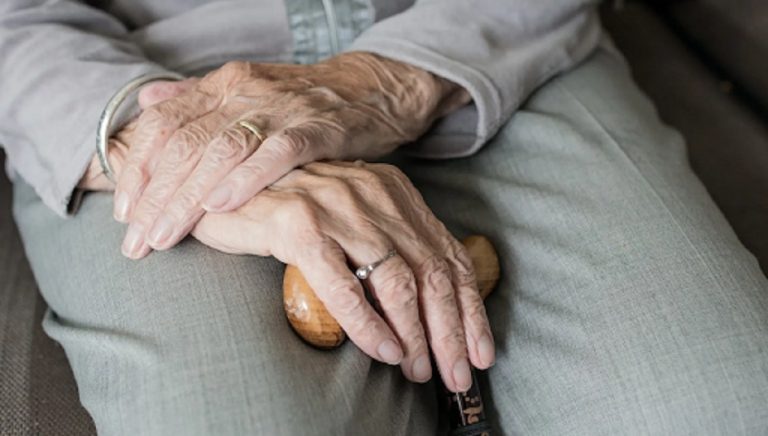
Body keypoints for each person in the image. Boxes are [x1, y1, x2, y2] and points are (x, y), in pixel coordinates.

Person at [2, 0, 767, 434]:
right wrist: (176, 148)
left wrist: (379, 82)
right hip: (140, 83)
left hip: (488, 39)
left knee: (719, 404)